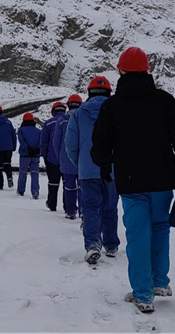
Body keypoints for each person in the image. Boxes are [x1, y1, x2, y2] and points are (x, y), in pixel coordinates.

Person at [90, 47, 175, 314]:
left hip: (131, 180)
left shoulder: (112, 106)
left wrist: (103, 165)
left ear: (121, 72)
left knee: (138, 235)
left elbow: (101, 141)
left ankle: (143, 294)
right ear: (147, 70)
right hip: (162, 179)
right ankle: (159, 282)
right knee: (160, 227)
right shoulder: (164, 100)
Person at [65, 77, 120, 265]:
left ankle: (93, 245)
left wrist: (81, 163)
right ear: (109, 92)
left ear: (89, 92)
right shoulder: (118, 111)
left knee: (90, 208)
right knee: (110, 207)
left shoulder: (79, 114)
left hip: (88, 170)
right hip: (112, 169)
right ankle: (111, 245)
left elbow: (70, 144)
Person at [53, 94, 83, 219]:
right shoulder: (84, 118)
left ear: (68, 105)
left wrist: (60, 157)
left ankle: (71, 211)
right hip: (82, 159)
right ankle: (83, 211)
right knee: (83, 187)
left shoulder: (61, 120)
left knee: (69, 187)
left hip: (66, 159)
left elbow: (56, 142)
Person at [40, 101, 67, 211]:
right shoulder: (69, 121)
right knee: (68, 184)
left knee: (53, 183)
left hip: (52, 158)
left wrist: (44, 156)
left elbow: (43, 142)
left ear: (53, 111)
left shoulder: (48, 123)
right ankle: (68, 206)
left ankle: (52, 204)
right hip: (67, 158)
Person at [16, 112, 41, 199]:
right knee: (35, 174)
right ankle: (35, 191)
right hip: (36, 155)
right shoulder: (38, 131)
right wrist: (36, 150)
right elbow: (41, 142)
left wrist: (28, 149)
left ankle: (21, 190)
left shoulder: (21, 130)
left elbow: (22, 141)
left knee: (23, 172)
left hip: (25, 155)